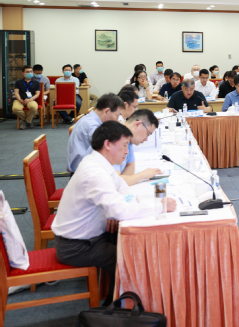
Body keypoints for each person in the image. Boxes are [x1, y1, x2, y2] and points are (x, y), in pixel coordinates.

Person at [53, 121, 177, 306]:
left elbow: (122, 188)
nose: (127, 151)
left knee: (131, 248)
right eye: (125, 145)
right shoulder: (95, 172)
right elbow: (121, 211)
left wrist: (116, 210)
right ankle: (120, 310)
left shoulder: (98, 163)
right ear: (108, 144)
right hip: (77, 247)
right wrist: (160, 206)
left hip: (86, 238)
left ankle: (115, 302)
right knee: (135, 260)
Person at [67, 93, 124, 173]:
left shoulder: (90, 119)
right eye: (117, 116)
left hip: (84, 169)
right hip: (83, 173)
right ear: (107, 111)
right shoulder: (93, 126)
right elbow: (107, 151)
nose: (117, 120)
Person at [114, 109, 164, 185]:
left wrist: (126, 180)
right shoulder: (115, 138)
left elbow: (130, 166)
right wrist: (143, 175)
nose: (146, 139)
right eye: (147, 134)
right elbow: (115, 182)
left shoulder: (128, 138)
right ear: (137, 124)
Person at [12, 65, 40, 130]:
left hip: (31, 100)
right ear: (23, 73)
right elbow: (16, 92)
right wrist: (20, 100)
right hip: (20, 100)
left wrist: (29, 100)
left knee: (34, 107)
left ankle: (26, 121)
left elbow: (37, 94)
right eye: (27, 72)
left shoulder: (36, 82)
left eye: (31, 71)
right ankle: (28, 121)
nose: (29, 73)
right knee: (15, 109)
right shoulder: (18, 82)